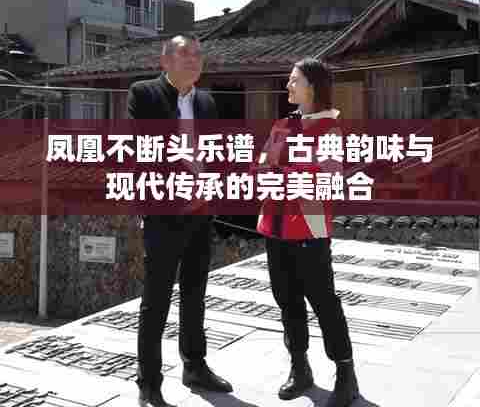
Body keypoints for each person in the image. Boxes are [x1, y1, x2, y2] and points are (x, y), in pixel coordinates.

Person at [127, 34, 233, 407]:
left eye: (198, 55)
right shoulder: (145, 94)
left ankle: (195, 365)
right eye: (185, 54)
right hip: (164, 213)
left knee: (194, 293)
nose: (194, 60)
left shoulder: (206, 101)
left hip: (201, 212)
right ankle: (149, 382)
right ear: (166, 61)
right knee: (156, 299)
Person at [256, 58, 359, 407]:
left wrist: (282, 171)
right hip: (274, 225)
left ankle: (346, 374)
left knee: (323, 302)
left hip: (309, 227)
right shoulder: (281, 125)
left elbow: (329, 179)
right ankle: (300, 369)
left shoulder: (330, 130)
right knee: (286, 300)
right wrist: (280, 170)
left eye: (294, 80)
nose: (288, 86)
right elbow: (261, 166)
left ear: (312, 87)